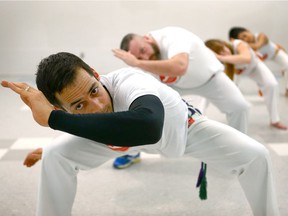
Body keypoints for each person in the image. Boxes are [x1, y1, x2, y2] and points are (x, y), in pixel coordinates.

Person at [1, 52, 279, 216]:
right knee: (57, 155)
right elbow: (96, 127)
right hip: (118, 140)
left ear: (97, 74)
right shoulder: (85, 115)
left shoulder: (130, 80)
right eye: (79, 106)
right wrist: (56, 143)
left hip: (183, 130)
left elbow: (147, 126)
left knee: (256, 155)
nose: (97, 106)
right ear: (60, 106)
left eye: (94, 90)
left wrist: (52, 119)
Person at [112, 26, 250, 168]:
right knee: (140, 108)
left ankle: (240, 152)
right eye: (139, 57)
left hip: (210, 78)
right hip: (174, 88)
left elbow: (180, 66)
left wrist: (138, 62)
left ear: (147, 38)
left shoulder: (173, 36)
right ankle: (132, 151)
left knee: (240, 107)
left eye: (143, 51)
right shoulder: (138, 62)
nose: (145, 57)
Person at [205, 39, 287, 130]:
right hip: (239, 73)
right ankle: (199, 116)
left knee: (272, 85)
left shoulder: (238, 44)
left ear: (225, 44)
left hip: (255, 67)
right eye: (220, 53)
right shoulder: (218, 61)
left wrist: (220, 57)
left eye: (224, 50)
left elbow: (246, 59)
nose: (224, 53)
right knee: (224, 91)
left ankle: (275, 120)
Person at [229, 26, 288, 97]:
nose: (245, 39)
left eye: (245, 35)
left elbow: (258, 46)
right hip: (259, 60)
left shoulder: (260, 36)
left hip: (275, 54)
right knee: (241, 71)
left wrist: (242, 44)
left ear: (248, 31)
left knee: (287, 64)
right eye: (242, 39)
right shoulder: (244, 47)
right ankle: (233, 89)